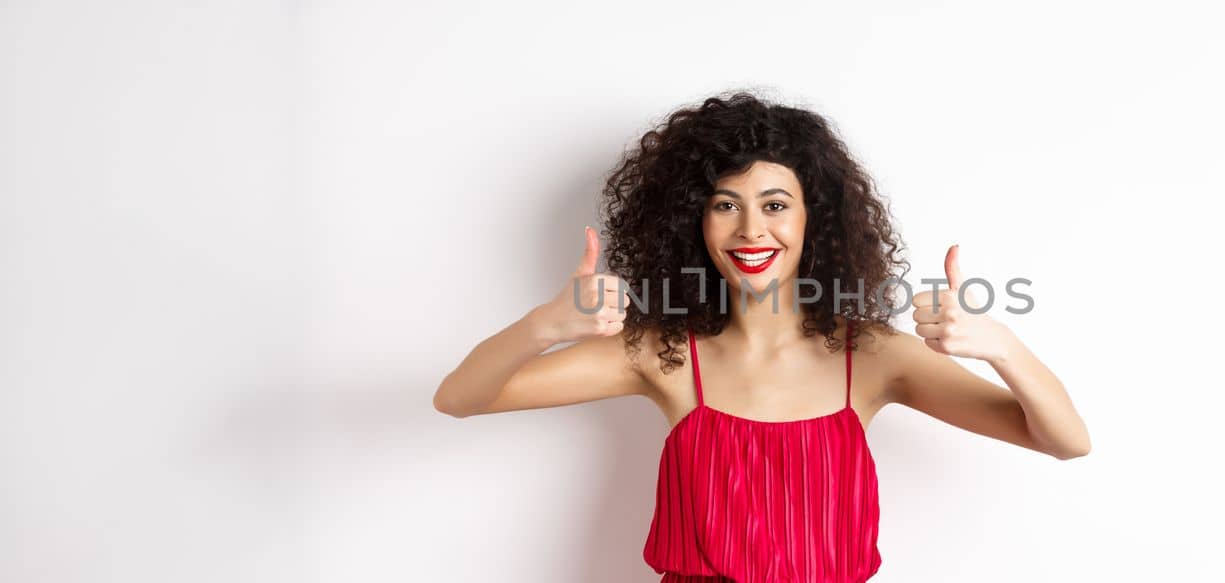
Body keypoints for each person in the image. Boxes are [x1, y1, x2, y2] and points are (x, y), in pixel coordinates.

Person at [433, 91, 1091, 582]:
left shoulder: (873, 356)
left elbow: (1065, 439)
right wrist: (544, 326)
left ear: (815, 219)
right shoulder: (661, 354)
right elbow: (460, 397)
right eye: (726, 204)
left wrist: (1000, 344)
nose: (752, 229)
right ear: (695, 222)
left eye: (775, 204)